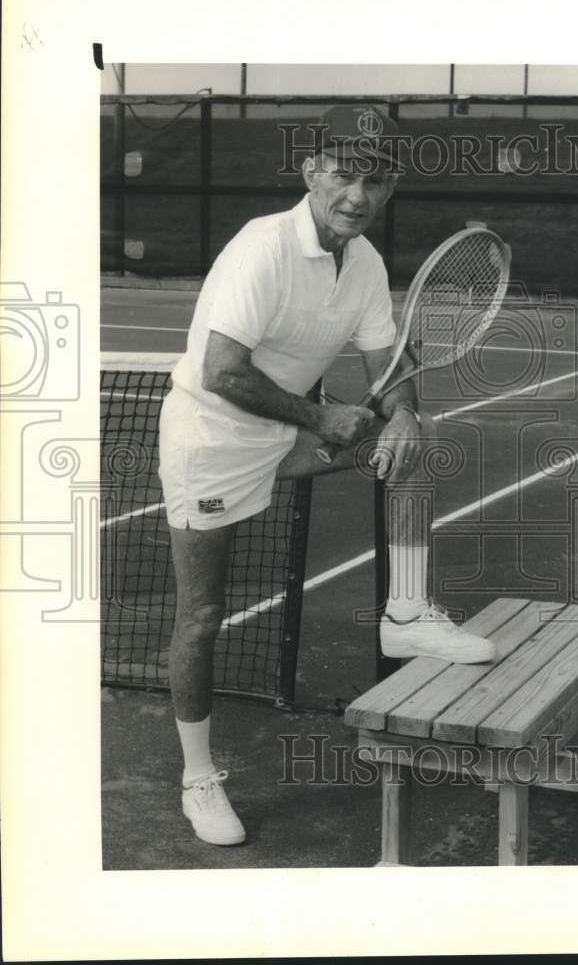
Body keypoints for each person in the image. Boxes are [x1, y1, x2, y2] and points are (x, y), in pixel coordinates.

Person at [158, 105, 496, 847]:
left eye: (375, 179)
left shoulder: (366, 262)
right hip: (212, 439)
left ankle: (406, 612)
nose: (357, 194)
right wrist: (318, 420)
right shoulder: (263, 249)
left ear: (390, 186)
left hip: (287, 436)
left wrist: (403, 413)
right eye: (344, 174)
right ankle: (197, 777)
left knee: (412, 440)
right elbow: (222, 372)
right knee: (203, 617)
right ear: (311, 173)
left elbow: (390, 365)